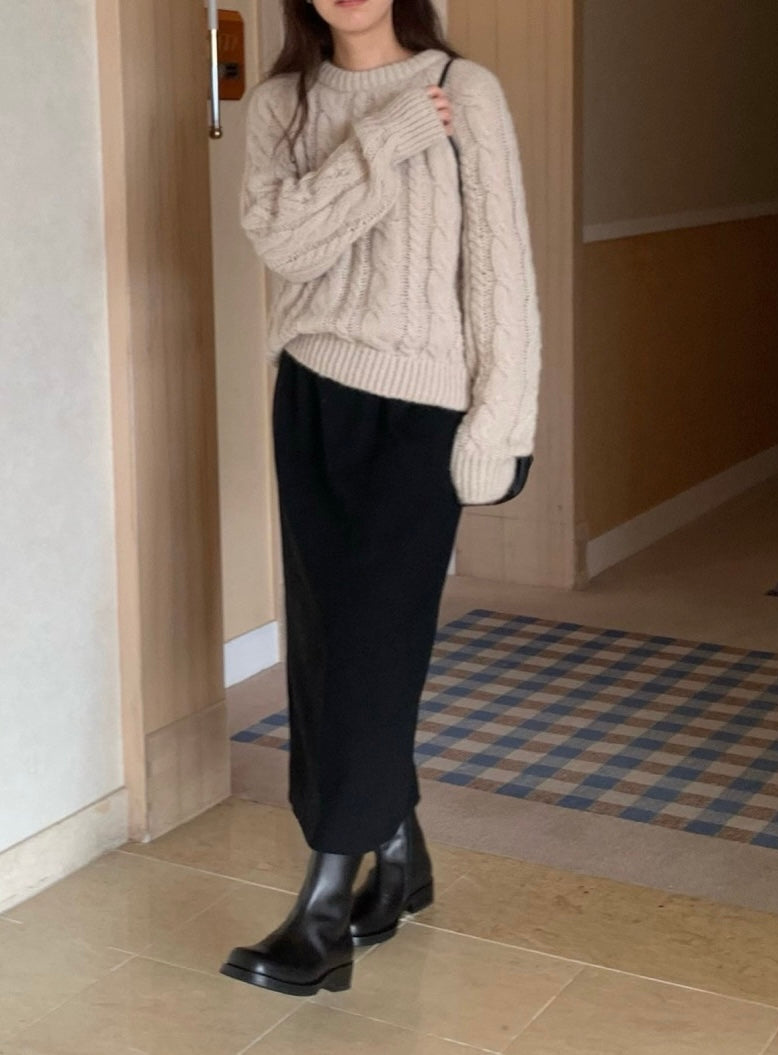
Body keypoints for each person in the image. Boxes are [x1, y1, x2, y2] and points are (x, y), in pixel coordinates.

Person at [220, 0, 542, 997]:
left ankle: (324, 910)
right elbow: (286, 246)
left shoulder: (463, 89)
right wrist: (385, 139)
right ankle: (399, 856)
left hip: (419, 413)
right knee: (326, 641)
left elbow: (499, 270)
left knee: (371, 645)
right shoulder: (281, 103)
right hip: (311, 394)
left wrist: (499, 423)